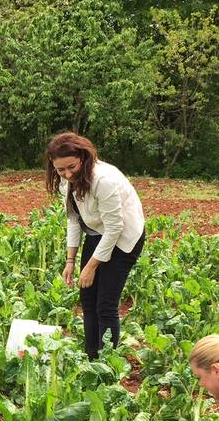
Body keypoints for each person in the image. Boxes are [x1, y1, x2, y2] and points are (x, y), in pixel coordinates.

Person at [45, 132, 146, 360]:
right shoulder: (65, 180)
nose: (68, 174)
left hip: (123, 237)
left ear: (82, 158)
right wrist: (71, 261)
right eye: (61, 170)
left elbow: (114, 228)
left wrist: (90, 267)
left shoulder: (103, 180)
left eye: (72, 167)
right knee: (87, 299)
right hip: (97, 231)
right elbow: (73, 218)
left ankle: (107, 364)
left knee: (105, 304)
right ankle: (92, 358)